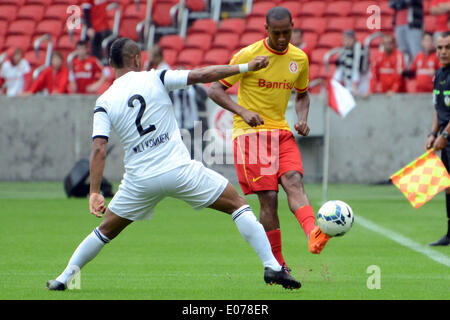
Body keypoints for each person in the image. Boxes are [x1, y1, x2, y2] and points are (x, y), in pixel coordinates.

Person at [46, 37, 301, 291]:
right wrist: (245, 67)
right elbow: (203, 75)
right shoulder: (155, 77)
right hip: (178, 171)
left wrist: (94, 191)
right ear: (137, 59)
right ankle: (272, 266)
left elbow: (99, 148)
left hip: (139, 180)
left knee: (104, 232)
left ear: (111, 64)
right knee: (238, 206)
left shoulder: (104, 101)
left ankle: (63, 278)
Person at [207, 7, 331, 272]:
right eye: (277, 33)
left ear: (293, 27)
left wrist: (303, 118)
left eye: (287, 32)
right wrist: (242, 111)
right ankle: (276, 264)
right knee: (270, 198)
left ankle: (313, 233)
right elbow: (214, 89)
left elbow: (302, 94)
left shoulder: (299, 58)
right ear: (266, 30)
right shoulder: (248, 55)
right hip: (251, 135)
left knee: (294, 181)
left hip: (281, 131)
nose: (283, 38)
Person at [424, 31, 450, 246]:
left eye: (447, 47)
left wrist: (445, 134)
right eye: (440, 47)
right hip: (445, 139)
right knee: (448, 185)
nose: (443, 51)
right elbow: (437, 109)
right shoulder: (439, 75)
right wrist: (433, 134)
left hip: (448, 136)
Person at [333, 29, 365, 96]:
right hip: (348, 83)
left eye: (349, 39)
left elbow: (357, 66)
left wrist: (354, 84)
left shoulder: (358, 47)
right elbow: (339, 67)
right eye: (345, 40)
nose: (347, 42)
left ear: (353, 39)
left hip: (360, 83)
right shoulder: (343, 50)